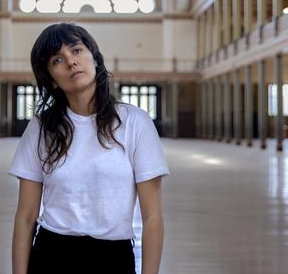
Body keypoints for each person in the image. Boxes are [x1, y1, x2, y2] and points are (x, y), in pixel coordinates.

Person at [9, 22, 169, 274]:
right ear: (51, 79)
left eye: (76, 50)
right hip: (52, 254)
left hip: (113, 257)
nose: (71, 62)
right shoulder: (42, 128)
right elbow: (26, 216)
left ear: (95, 58)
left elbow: (152, 217)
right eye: (57, 60)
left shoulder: (135, 122)